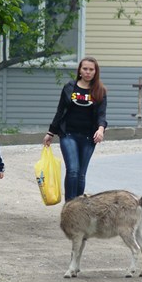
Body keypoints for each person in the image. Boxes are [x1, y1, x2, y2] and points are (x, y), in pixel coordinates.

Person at [42, 56, 107, 202]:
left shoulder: (100, 91)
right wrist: (50, 132)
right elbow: (60, 111)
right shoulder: (69, 87)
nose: (88, 72)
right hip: (68, 134)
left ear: (95, 72)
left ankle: (78, 207)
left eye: (91, 69)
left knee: (81, 174)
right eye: (85, 69)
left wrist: (101, 129)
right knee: (72, 170)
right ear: (79, 70)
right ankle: (69, 206)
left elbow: (102, 115)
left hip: (89, 137)